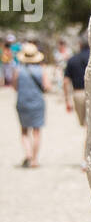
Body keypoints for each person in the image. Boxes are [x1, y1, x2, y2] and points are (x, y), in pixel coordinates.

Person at [13, 40, 46, 168]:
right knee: (36, 131)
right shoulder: (40, 70)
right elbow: (46, 86)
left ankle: (28, 154)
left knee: (24, 131)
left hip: (22, 101)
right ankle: (34, 159)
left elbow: (15, 87)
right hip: (37, 102)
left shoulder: (18, 70)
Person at [63, 36, 90, 168]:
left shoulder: (72, 60)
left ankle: (86, 157)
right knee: (89, 127)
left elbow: (65, 81)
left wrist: (67, 100)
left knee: (86, 126)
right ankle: (88, 157)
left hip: (78, 94)